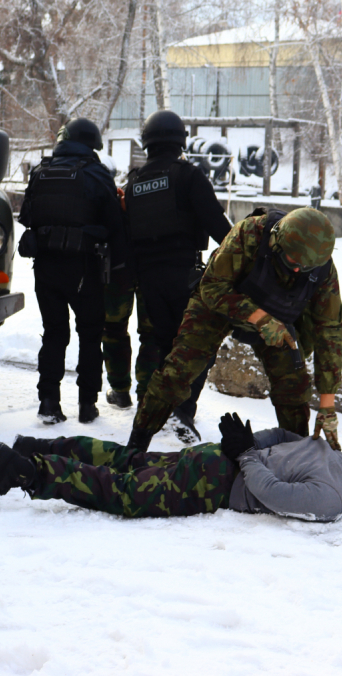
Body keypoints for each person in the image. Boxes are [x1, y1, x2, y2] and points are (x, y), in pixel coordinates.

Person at [128, 206, 342, 454]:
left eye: (304, 268)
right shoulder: (249, 233)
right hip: (222, 302)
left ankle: (295, 456)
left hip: (278, 318)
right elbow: (213, 288)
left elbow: (331, 328)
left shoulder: (320, 266)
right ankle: (137, 442)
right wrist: (260, 319)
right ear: (276, 240)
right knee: (177, 372)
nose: (297, 270)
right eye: (292, 262)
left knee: (294, 388)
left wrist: (328, 404)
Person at [0, 412, 342, 520]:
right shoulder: (338, 499)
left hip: (213, 457)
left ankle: (36, 444)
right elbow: (272, 496)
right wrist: (243, 455)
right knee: (123, 490)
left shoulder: (333, 453)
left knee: (129, 459)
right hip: (217, 481)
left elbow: (283, 438)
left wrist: (241, 444)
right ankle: (22, 468)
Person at [123, 110, 233, 441]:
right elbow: (219, 227)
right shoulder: (188, 175)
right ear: (180, 141)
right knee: (200, 344)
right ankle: (182, 411)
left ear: (148, 143)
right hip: (183, 276)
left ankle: (153, 410)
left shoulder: (134, 184)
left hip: (148, 280)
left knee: (159, 344)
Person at [18, 118, 126, 425]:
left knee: (54, 333)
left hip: (46, 267)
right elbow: (115, 227)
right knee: (90, 335)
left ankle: (49, 402)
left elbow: (26, 216)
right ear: (92, 144)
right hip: (83, 268)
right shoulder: (96, 173)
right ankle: (87, 406)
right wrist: (120, 269)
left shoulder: (41, 172)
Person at [102, 270, 160, 409]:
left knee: (113, 328)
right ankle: (147, 396)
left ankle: (120, 391)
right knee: (152, 333)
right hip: (152, 264)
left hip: (118, 263)